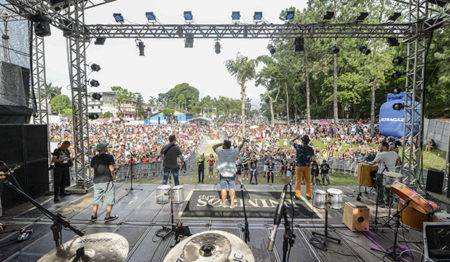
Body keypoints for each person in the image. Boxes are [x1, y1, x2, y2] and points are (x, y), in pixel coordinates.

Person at [213, 139, 246, 208]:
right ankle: (232, 204)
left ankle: (224, 203)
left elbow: (214, 146)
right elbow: (240, 146)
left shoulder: (220, 151)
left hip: (223, 173)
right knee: (232, 188)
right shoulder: (233, 151)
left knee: (223, 189)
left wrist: (221, 143)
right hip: (231, 173)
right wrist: (243, 141)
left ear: (224, 146)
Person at [90, 143, 118, 222]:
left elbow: (93, 170)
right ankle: (107, 217)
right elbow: (111, 169)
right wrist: (114, 171)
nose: (106, 147)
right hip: (107, 180)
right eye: (105, 147)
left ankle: (94, 216)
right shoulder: (109, 157)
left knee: (96, 199)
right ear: (103, 149)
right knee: (110, 199)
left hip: (96, 181)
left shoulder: (94, 158)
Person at [366, 141, 399, 206]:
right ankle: (389, 203)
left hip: (382, 173)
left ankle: (381, 203)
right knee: (389, 190)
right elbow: (398, 159)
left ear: (384, 147)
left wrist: (367, 162)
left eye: (380, 146)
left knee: (380, 189)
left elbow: (373, 163)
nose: (378, 147)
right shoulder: (394, 153)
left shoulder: (381, 154)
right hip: (392, 174)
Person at [291, 135, 315, 200]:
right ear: (308, 142)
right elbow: (313, 159)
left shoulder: (298, 146)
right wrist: (309, 159)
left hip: (299, 166)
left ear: (302, 141)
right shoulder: (310, 149)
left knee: (298, 181)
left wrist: (296, 138)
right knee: (308, 181)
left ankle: (297, 195)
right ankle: (308, 195)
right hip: (306, 166)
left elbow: (291, 142)